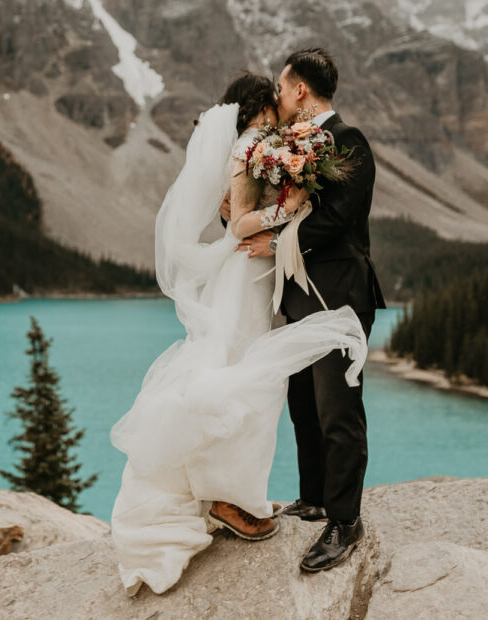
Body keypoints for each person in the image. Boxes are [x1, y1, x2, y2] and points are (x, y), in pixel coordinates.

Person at [110, 72, 368, 595]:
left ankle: (254, 497)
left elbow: (276, 215)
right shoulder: (255, 147)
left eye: (283, 87)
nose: (279, 99)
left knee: (255, 384)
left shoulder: (281, 144)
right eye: (272, 95)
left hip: (265, 278)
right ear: (261, 107)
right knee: (247, 385)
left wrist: (276, 216)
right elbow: (241, 224)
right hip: (250, 273)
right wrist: (287, 210)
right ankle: (229, 497)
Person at [239, 47, 386, 573]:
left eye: (281, 88)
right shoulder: (290, 146)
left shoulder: (349, 142)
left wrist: (274, 241)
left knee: (338, 412)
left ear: (300, 89)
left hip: (341, 297)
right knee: (303, 402)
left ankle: (345, 521)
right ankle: (316, 496)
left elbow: (339, 221)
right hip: (301, 298)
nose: (278, 98)